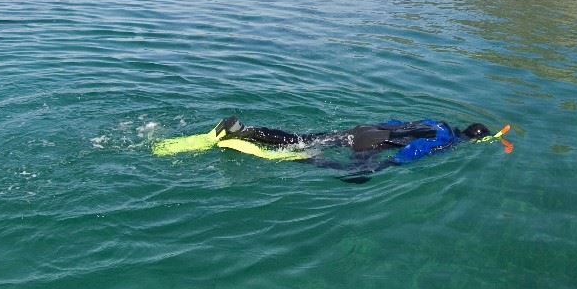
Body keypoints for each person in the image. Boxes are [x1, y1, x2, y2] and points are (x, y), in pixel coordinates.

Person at [208, 115, 495, 181]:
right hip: (374, 141)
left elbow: (397, 122)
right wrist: (389, 164)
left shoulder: (438, 122)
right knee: (358, 174)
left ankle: (248, 131)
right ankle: (309, 160)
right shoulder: (447, 142)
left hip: (365, 130)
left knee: (301, 136)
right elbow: (417, 149)